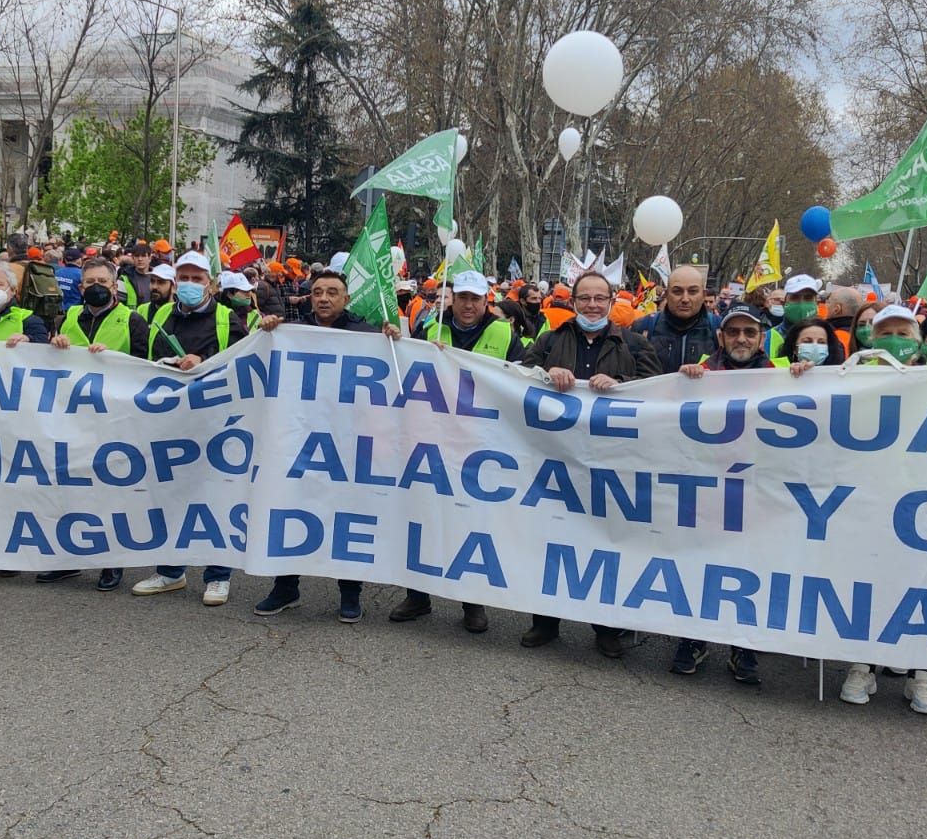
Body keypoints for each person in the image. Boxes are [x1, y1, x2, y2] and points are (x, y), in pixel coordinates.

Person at [673, 305, 816, 684]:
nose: (741, 339)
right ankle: (694, 638)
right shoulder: (702, 373)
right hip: (707, 488)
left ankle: (743, 644)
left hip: (760, 491)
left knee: (752, 567)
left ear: (760, 338)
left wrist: (806, 380)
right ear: (721, 337)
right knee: (701, 564)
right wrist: (684, 383)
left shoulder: (780, 375)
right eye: (733, 331)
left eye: (749, 333)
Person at [517, 271, 652, 658]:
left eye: (599, 298)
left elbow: (658, 388)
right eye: (584, 298)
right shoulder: (551, 340)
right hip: (557, 458)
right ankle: (545, 621)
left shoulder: (635, 344)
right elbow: (518, 375)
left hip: (611, 464)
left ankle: (606, 627)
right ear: (573, 302)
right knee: (552, 540)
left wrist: (623, 382)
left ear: (611, 301)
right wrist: (546, 372)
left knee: (605, 543)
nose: (592, 305)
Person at [253, 268, 395, 622]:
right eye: (317, 292)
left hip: (349, 445)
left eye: (333, 292)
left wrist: (393, 339)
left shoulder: (366, 336)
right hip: (300, 441)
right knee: (291, 508)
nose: (324, 298)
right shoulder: (291, 333)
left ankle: (350, 593)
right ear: (309, 297)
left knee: (347, 514)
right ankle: (285, 587)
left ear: (346, 299)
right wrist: (268, 330)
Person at [389, 270, 520, 634]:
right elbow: (403, 369)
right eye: (462, 297)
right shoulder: (433, 330)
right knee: (424, 517)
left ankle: (471, 601)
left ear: (485, 301)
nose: (468, 304)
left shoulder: (504, 334)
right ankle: (418, 595)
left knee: (471, 522)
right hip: (432, 440)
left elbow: (523, 380)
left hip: (480, 445)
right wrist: (395, 340)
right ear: (453, 299)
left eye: (475, 298)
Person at [139, 251, 273, 608]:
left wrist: (205, 365)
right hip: (171, 422)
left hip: (219, 423)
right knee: (171, 495)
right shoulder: (158, 315)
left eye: (197, 279)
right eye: (183, 278)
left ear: (212, 284)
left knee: (218, 496)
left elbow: (244, 365)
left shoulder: (229, 319)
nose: (189, 285)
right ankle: (170, 570)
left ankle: (218, 576)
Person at [839, 304, 927, 714]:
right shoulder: (856, 373)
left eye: (904, 332)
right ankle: (861, 665)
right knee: (869, 581)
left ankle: (921, 675)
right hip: (870, 495)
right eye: (886, 331)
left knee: (923, 583)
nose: (895, 339)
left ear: (918, 341)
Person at [43, 257, 150, 589]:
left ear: (115, 284)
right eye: (90, 282)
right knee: (69, 488)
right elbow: (50, 364)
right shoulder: (68, 317)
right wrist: (55, 346)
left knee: (109, 492)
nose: (96, 287)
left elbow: (149, 367)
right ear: (80, 286)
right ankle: (69, 559)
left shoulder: (131, 320)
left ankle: (111, 560)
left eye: (103, 281)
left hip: (115, 421)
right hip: (73, 420)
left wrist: (117, 360)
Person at [630, 265, 713, 373]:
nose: (685, 299)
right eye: (677, 292)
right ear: (667, 294)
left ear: (703, 295)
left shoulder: (718, 330)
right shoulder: (642, 328)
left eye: (692, 291)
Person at [778, 316, 846, 367]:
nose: (815, 346)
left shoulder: (843, 373)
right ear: (794, 348)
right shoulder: (777, 369)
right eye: (807, 341)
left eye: (821, 342)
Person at [823, 286, 864, 352]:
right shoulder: (866, 335)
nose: (826, 305)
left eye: (828, 302)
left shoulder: (832, 337)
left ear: (837, 309)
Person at [118, 240, 153, 308]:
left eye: (143, 256)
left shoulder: (157, 278)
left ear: (149, 258)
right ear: (133, 258)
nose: (140, 259)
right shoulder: (124, 278)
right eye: (137, 256)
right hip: (131, 317)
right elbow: (119, 305)